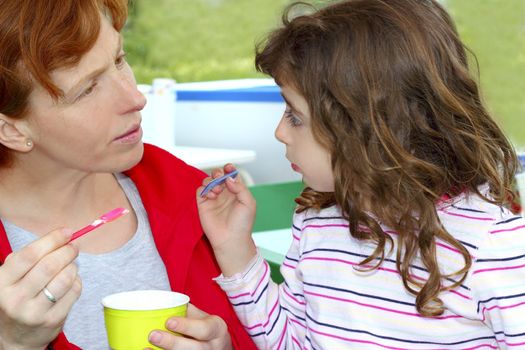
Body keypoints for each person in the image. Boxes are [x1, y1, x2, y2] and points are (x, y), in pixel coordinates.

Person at [197, 0, 525, 348]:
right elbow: (289, 342)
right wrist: (236, 250)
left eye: (295, 116)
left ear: (365, 128)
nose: (280, 132)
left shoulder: (495, 243)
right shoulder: (316, 220)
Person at [0, 1, 256, 349]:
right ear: (11, 130)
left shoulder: (190, 195)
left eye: (119, 60)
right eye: (87, 89)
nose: (135, 97)